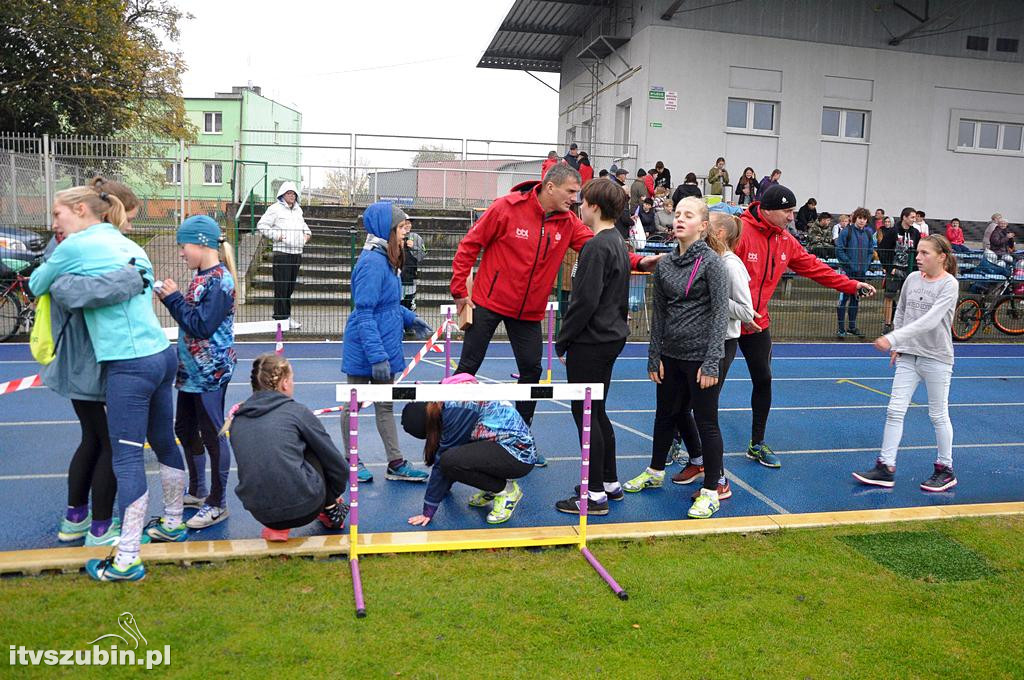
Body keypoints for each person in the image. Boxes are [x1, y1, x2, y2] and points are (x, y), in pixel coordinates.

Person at [30, 186, 186, 582]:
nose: (53, 224)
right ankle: (173, 522)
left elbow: (38, 284)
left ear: (80, 209)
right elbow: (142, 279)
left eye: (58, 214)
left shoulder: (74, 246)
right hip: (162, 353)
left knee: (127, 458)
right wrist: (125, 282)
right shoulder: (127, 242)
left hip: (129, 365)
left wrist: (69, 285)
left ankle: (127, 557)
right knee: (164, 441)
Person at [449, 164, 657, 429]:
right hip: (489, 302)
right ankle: (448, 428)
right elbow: (469, 245)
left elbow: (602, 249)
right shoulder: (506, 208)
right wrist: (459, 292)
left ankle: (520, 434)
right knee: (468, 367)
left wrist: (640, 262)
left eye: (578, 193)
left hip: (528, 312)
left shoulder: (568, 222)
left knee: (532, 371)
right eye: (571, 191)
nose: (575, 198)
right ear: (550, 187)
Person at [736, 185, 876, 468]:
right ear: (768, 209)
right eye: (787, 211)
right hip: (726, 323)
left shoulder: (786, 241)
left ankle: (757, 444)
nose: (791, 217)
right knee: (707, 384)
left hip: (758, 323)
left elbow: (815, 268)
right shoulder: (739, 231)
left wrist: (851, 285)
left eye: (792, 211)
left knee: (764, 380)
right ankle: (683, 439)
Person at [45, 177, 144, 548]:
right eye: (128, 219)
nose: (130, 229)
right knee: (112, 444)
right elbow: (77, 294)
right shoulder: (81, 250)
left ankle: (75, 517)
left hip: (81, 359)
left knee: (92, 438)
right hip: (95, 360)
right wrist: (133, 279)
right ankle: (101, 527)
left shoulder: (76, 247)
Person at [623, 197, 729, 519]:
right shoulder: (666, 264)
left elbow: (720, 314)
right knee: (665, 415)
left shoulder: (713, 263)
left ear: (703, 225)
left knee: (706, 421)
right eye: (678, 214)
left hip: (701, 360)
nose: (680, 219)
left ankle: (712, 489)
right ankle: (655, 471)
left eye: (689, 215)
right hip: (670, 355)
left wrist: (712, 361)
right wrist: (654, 355)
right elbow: (660, 315)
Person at [853, 236, 960, 492]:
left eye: (924, 253)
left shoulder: (949, 284)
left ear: (941, 257)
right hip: (908, 356)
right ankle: (885, 467)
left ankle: (945, 468)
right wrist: (899, 346)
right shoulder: (912, 279)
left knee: (937, 414)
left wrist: (891, 339)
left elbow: (931, 320)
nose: (918, 257)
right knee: (894, 410)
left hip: (936, 358)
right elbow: (901, 312)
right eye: (918, 252)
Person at [552, 178, 631, 515]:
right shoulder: (617, 243)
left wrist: (563, 339)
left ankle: (595, 492)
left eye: (582, 202)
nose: (579, 207)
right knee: (597, 411)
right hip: (609, 336)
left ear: (595, 207)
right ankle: (608, 481)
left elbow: (584, 301)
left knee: (585, 413)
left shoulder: (596, 246)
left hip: (593, 340)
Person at [341, 201, 433, 483]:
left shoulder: (387, 258)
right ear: (386, 228)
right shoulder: (371, 263)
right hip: (365, 348)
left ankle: (395, 463)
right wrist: (377, 356)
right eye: (402, 227)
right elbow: (365, 314)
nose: (406, 233)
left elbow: (388, 304)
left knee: (385, 406)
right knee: (352, 405)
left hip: (385, 345)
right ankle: (350, 459)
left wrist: (410, 318)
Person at [156, 215, 238, 530]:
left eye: (183, 246)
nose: (181, 253)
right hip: (192, 371)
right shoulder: (203, 276)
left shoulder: (221, 280)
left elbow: (201, 326)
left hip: (211, 371)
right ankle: (198, 490)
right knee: (185, 429)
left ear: (201, 242)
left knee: (213, 433)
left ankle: (218, 503)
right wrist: (174, 299)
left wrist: (173, 299)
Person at [670, 210, 756, 498]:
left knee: (705, 413)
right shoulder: (705, 260)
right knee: (678, 407)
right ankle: (698, 461)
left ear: (716, 233)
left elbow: (746, 311)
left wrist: (712, 297)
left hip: (721, 345)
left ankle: (719, 480)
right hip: (696, 342)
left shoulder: (731, 266)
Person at [229, 354, 348, 541]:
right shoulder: (297, 412)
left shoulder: (237, 419)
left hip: (260, 512)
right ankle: (329, 510)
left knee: (268, 452)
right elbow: (337, 464)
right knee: (315, 449)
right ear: (284, 383)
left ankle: (277, 528)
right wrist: (333, 495)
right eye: (292, 380)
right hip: (305, 508)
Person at [404, 377, 538, 526]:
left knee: (449, 460)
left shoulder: (457, 407)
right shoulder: (444, 397)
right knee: (454, 457)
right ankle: (492, 487)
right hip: (504, 446)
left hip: (518, 455)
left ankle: (506, 491)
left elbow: (445, 460)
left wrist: (428, 511)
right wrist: (443, 488)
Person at [257, 181, 310, 329]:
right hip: (282, 253)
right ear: (282, 195)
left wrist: (306, 235)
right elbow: (262, 225)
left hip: (296, 253)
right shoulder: (274, 209)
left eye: (293, 193)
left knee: (289, 288)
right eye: (288, 193)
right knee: (281, 287)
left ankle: (286, 318)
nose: (291, 196)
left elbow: (303, 225)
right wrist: (277, 236)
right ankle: (279, 319)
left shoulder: (298, 210)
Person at [878, 207, 922, 333]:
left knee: (908, 298)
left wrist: (915, 269)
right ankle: (887, 325)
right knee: (889, 296)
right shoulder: (893, 231)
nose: (914, 219)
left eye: (915, 217)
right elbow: (882, 250)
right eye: (912, 217)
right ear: (904, 217)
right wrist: (889, 268)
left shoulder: (916, 233)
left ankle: (904, 324)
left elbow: (918, 250)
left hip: (909, 271)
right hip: (894, 269)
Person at [835, 208, 874, 338]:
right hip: (847, 273)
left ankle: (852, 326)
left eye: (864, 218)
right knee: (843, 299)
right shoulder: (847, 232)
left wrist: (865, 266)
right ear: (855, 218)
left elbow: (870, 252)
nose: (862, 221)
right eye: (860, 218)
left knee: (855, 299)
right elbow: (839, 250)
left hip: (861, 273)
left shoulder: (868, 234)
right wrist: (849, 265)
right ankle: (841, 329)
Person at [400, 224, 426, 311]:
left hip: (410, 277)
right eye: (404, 223)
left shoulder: (416, 237)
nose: (407, 225)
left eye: (409, 223)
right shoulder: (393, 237)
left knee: (409, 305)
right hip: (397, 279)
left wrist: (414, 247)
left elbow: (422, 256)